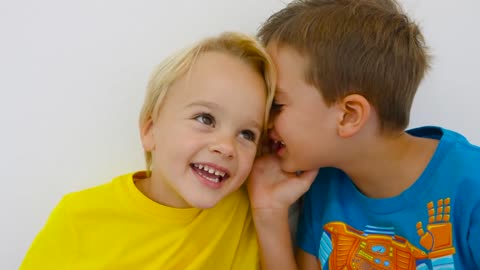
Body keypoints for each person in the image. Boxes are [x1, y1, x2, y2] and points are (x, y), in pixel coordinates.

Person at [248, 0, 480, 269]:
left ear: (349, 115)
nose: (264, 120)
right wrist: (269, 213)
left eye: (277, 104)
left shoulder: (471, 186)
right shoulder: (323, 184)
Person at [20, 32, 275, 270]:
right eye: (205, 119)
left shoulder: (251, 207)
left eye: (246, 134)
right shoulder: (78, 220)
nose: (227, 147)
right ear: (150, 130)